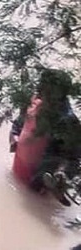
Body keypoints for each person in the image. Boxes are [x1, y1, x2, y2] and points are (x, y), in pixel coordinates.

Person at [10, 69, 81, 203]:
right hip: (18, 169)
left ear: (61, 95)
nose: (44, 94)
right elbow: (19, 122)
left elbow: (74, 158)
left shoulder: (68, 121)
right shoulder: (35, 102)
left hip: (38, 185)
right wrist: (13, 136)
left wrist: (62, 175)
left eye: (50, 92)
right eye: (43, 89)